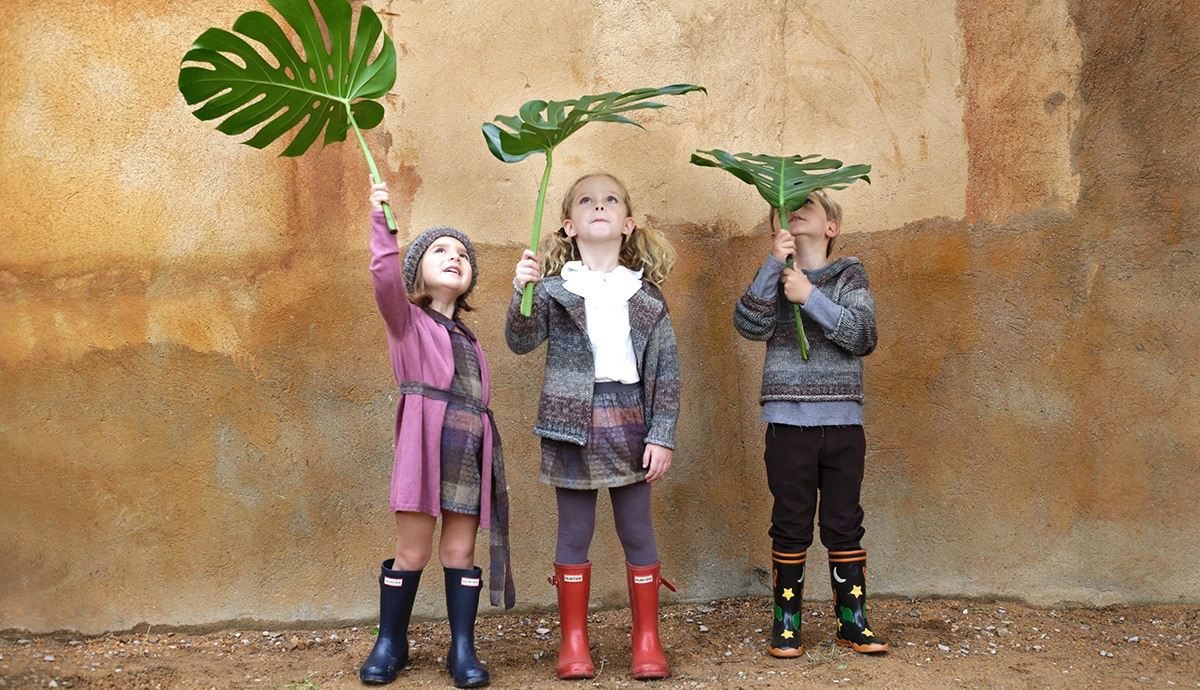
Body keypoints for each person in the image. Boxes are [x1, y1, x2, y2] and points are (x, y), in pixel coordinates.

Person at [506, 173, 680, 680]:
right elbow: (520, 341)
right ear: (567, 225)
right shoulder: (554, 290)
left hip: (631, 420)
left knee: (637, 529)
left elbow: (666, 372)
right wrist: (522, 290)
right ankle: (574, 643)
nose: (597, 207)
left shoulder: (647, 295)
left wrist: (662, 434)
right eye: (585, 201)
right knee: (575, 530)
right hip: (570, 422)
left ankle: (647, 641)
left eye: (609, 201)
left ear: (627, 224)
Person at [358, 180, 514, 688]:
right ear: (416, 270)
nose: (455, 257)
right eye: (440, 250)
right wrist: (382, 224)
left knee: (459, 553)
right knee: (415, 552)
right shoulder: (407, 322)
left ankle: (462, 649)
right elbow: (383, 276)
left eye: (463, 254)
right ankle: (391, 641)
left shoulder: (469, 338)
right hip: (423, 452)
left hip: (466, 451)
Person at [732, 189, 888, 658]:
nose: (796, 209)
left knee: (843, 522)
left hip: (842, 424)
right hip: (787, 425)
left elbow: (863, 335)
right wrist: (770, 268)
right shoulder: (773, 276)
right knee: (790, 521)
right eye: (787, 206)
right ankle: (786, 623)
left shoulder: (849, 273)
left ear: (831, 227)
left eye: (809, 205)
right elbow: (748, 324)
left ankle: (852, 621)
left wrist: (810, 297)